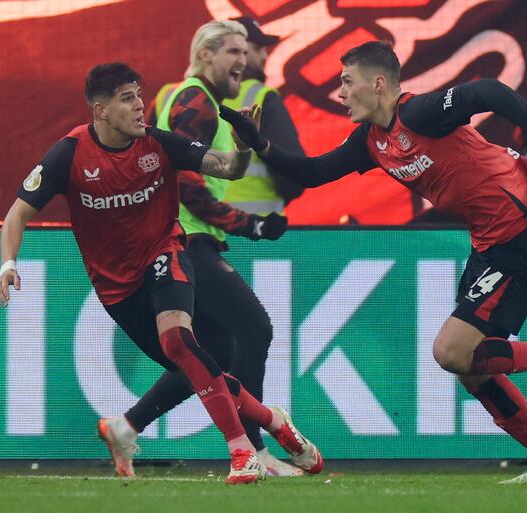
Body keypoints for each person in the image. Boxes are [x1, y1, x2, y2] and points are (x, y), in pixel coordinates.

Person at [223, 40, 527, 484]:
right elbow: (312, 173)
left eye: (347, 81)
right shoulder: (371, 139)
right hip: (488, 242)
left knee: (451, 352)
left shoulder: (419, 113)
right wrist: (257, 143)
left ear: (378, 83)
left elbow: (488, 91)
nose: (340, 93)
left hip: (519, 232)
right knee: (471, 369)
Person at [0, 62, 321, 484]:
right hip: (115, 287)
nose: (139, 105)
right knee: (194, 366)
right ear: (100, 110)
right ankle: (273, 420)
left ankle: (242, 451)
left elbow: (228, 168)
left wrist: (241, 147)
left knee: (179, 338)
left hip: (165, 252)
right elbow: (16, 214)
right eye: (127, 98)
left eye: (139, 95)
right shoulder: (69, 154)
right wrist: (8, 265)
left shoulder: (159, 143)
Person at [95, 21, 320, 478]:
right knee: (253, 329)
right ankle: (256, 450)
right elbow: (183, 177)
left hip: (187, 237)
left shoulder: (194, 99)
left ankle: (127, 425)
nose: (244, 59)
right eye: (234, 51)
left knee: (208, 352)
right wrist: (248, 224)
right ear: (205, 55)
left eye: (245, 50)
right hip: (185, 239)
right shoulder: (194, 97)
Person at [220, 16, 305, 214]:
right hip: (252, 232)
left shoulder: (171, 97)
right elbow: (294, 173)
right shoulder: (261, 98)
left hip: (189, 235)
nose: (265, 56)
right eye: (258, 48)